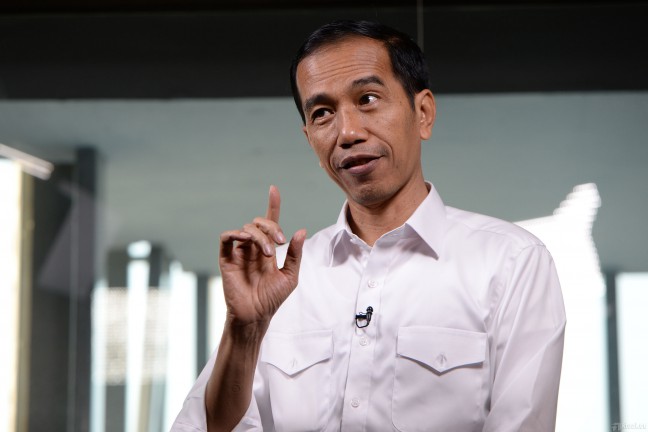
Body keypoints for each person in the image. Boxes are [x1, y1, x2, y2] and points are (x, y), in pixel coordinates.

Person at [171, 20, 566, 432]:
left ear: (423, 113)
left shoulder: (511, 261)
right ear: (309, 139)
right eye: (322, 113)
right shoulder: (280, 279)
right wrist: (244, 331)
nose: (347, 132)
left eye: (368, 99)